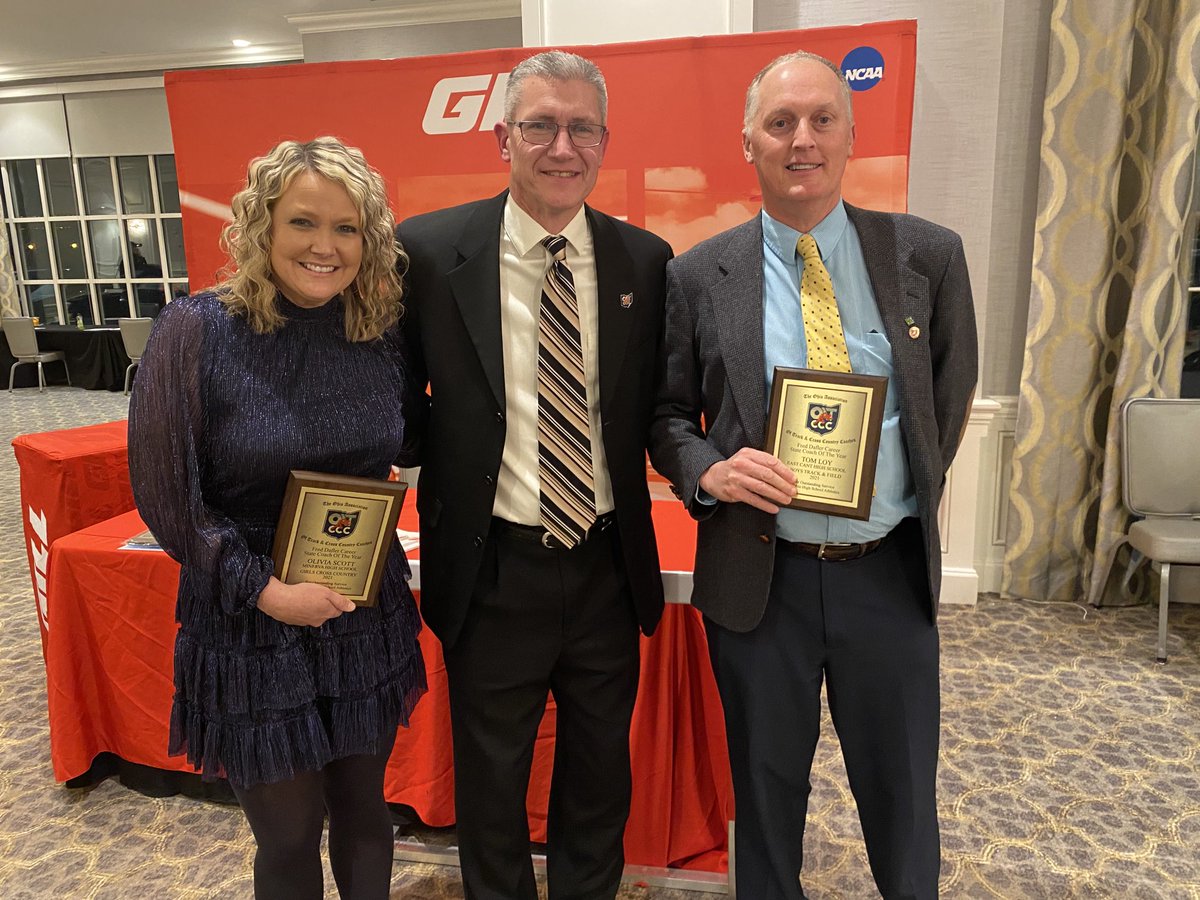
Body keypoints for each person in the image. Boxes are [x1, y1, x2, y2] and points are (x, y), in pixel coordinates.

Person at [649, 52, 978, 899]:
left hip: (888, 577)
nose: (803, 140)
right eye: (780, 123)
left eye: (822, 119)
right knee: (764, 798)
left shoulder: (929, 257)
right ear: (748, 143)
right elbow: (667, 419)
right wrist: (711, 473)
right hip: (761, 584)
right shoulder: (696, 274)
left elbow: (948, 396)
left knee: (904, 798)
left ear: (850, 133)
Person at [397, 50, 671, 900]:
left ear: (603, 141)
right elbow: (400, 407)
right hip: (491, 569)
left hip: (604, 567)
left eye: (582, 127)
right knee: (492, 785)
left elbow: (659, 410)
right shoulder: (429, 253)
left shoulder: (645, 262)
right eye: (541, 125)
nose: (563, 146)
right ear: (502, 138)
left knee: (598, 782)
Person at [128, 137, 427, 900]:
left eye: (347, 228)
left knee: (367, 813)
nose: (324, 247)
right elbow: (168, 497)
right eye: (302, 222)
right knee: (290, 833)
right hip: (249, 616)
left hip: (361, 604)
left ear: (371, 239)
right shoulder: (196, 331)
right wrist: (265, 589)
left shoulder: (379, 333)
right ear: (261, 226)